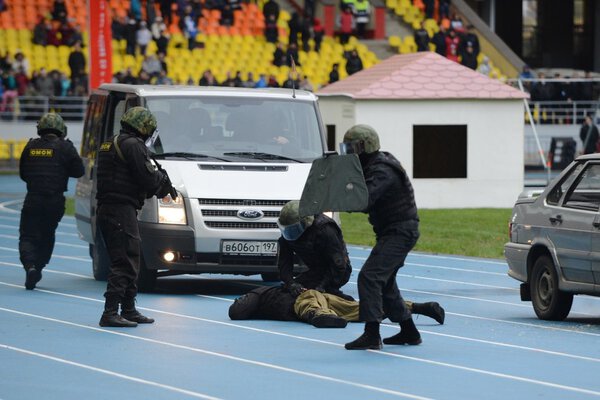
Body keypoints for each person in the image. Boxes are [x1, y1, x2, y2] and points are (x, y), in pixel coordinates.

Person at [341, 124, 421, 350]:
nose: (349, 152)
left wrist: (339, 196)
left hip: (400, 231)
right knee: (385, 283)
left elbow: (365, 199)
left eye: (353, 147)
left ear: (365, 147)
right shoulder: (375, 165)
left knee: (370, 277)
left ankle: (371, 334)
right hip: (393, 231)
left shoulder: (382, 170)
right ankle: (409, 331)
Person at [96, 106, 176, 327]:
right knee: (125, 261)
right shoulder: (133, 146)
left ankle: (128, 309)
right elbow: (148, 180)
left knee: (129, 258)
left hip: (109, 209)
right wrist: (162, 181)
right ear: (143, 126)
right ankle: (110, 312)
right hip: (121, 210)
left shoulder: (110, 142)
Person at [18, 113, 84, 290]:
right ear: (61, 129)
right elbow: (79, 171)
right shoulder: (66, 148)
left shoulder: (30, 146)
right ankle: (38, 267)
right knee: (47, 235)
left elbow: (23, 174)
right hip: (54, 201)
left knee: (28, 235)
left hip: (33, 198)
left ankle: (30, 266)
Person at [229, 287, 445, 328]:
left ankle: (321, 316)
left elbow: (236, 311)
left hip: (307, 297)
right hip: (322, 296)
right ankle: (418, 307)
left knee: (309, 303)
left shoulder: (263, 293)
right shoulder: (265, 297)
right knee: (360, 309)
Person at [277, 200, 353, 300]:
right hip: (316, 271)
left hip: (337, 271)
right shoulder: (288, 236)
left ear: (306, 222)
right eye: (288, 230)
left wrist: (322, 287)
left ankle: (342, 299)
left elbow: (338, 265)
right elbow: (284, 263)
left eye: (294, 229)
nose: (291, 234)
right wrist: (291, 284)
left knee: (319, 296)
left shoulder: (325, 230)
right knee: (290, 293)